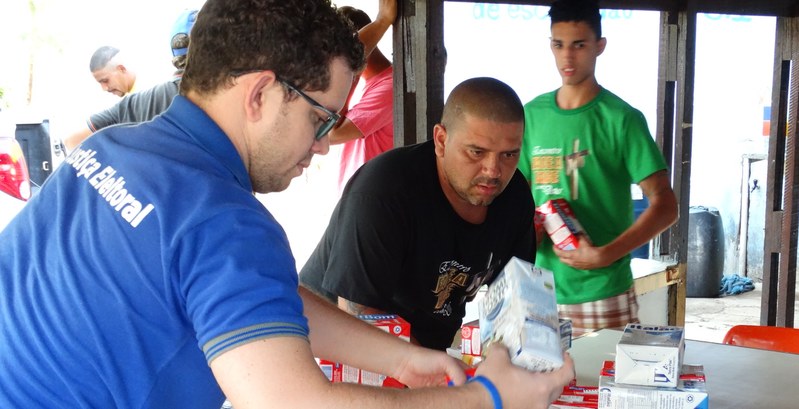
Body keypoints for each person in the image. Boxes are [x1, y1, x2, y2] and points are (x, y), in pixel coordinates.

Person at [0, 0, 574, 408]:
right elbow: (293, 400)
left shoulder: (109, 150)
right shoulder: (222, 221)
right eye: (321, 118)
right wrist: (490, 397)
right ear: (259, 94)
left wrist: (400, 359)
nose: (323, 143)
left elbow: (260, 296)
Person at [300, 77, 539, 352]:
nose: (493, 170)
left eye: (509, 155)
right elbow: (358, 313)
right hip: (330, 349)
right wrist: (433, 374)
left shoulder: (515, 197)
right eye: (476, 152)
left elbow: (516, 300)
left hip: (426, 351)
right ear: (441, 140)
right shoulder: (384, 191)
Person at [518, 0, 678, 337]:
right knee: (536, 390)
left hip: (604, 292)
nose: (567, 58)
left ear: (599, 46)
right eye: (558, 44)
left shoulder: (622, 119)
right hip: (537, 293)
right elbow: (514, 198)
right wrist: (525, 233)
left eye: (579, 45)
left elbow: (665, 205)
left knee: (606, 388)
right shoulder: (530, 116)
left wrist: (606, 255)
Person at [63, 9, 198, 152]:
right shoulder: (132, 104)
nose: (104, 88)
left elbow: (72, 141)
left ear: (121, 69)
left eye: (105, 80)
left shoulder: (133, 104)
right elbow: (71, 140)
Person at [332, 1, 396, 191]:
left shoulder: (389, 87)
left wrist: (351, 73)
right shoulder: (367, 85)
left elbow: (331, 133)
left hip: (373, 203)